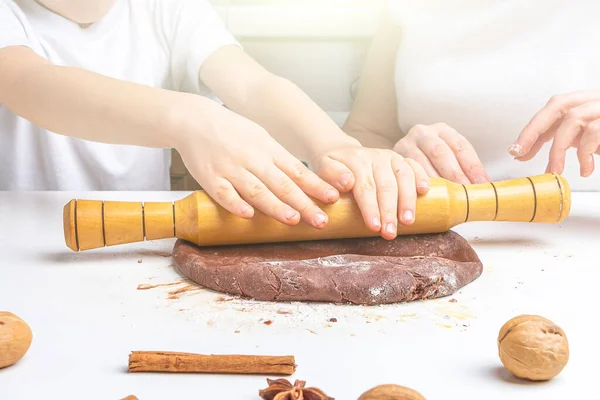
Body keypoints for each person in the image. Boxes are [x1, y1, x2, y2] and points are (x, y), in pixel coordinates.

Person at [0, 0, 431, 240]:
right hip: (18, 253)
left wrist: (332, 145)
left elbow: (251, 86)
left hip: (137, 245)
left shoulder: (166, 10)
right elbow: (28, 82)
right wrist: (189, 117)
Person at [344, 0, 600, 191]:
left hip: (583, 231)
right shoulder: (402, 8)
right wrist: (396, 164)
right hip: (437, 223)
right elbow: (366, 132)